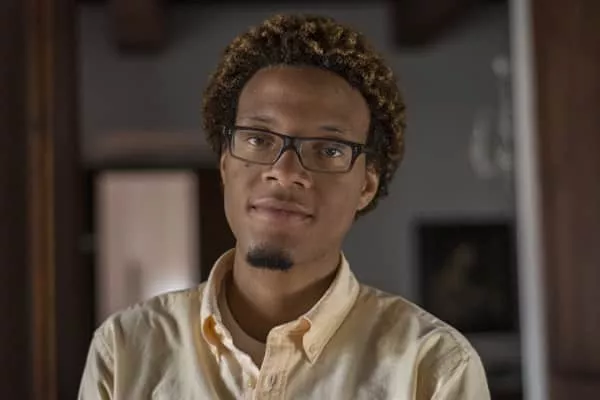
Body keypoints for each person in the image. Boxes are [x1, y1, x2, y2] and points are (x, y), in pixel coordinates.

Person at [79, 14, 490, 399]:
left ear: (366, 185)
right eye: (258, 139)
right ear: (225, 166)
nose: (285, 171)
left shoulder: (432, 368)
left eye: (329, 149)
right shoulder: (125, 351)